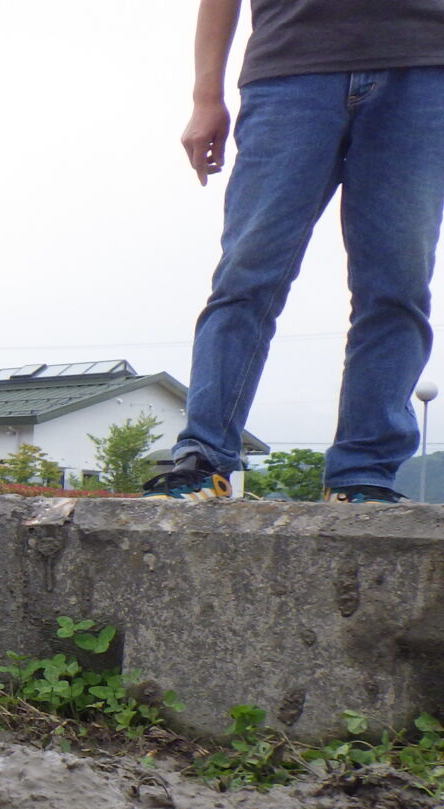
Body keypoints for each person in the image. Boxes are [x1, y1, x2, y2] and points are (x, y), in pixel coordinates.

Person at [145, 0, 444, 504]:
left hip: (424, 68)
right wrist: (205, 97)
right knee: (246, 277)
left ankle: (363, 475)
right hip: (289, 70)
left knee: (397, 288)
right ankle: (204, 461)